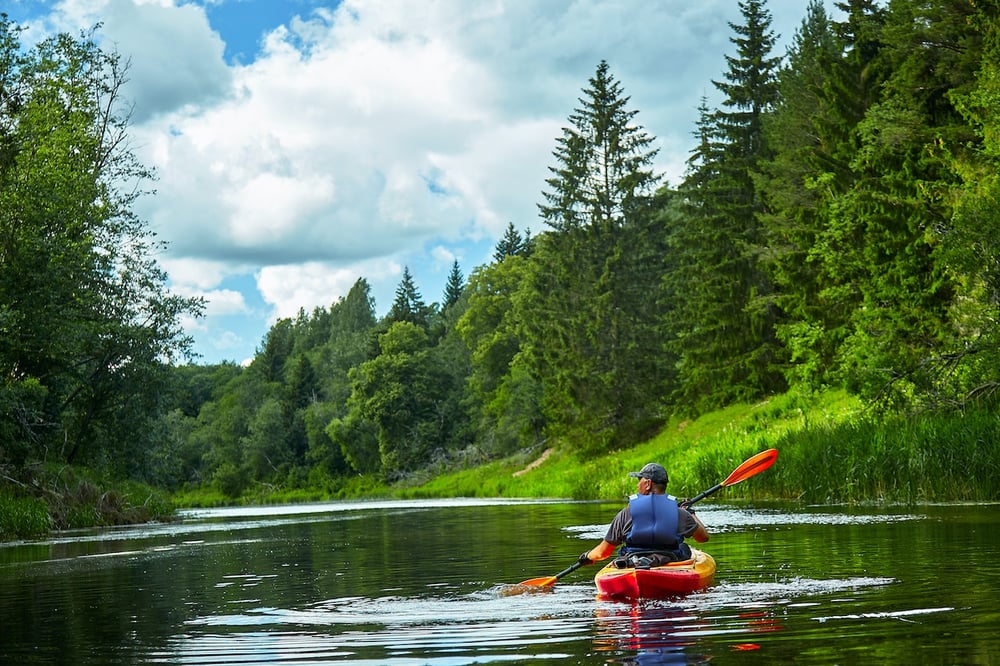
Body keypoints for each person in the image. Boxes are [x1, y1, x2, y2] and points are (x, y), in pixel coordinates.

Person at [578, 462, 709, 569]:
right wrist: (690, 513)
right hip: (670, 560)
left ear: (647, 483)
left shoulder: (625, 514)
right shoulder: (680, 513)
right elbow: (703, 538)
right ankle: (655, 560)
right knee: (683, 548)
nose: (637, 484)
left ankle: (643, 561)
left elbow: (603, 552)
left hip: (633, 561)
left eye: (639, 480)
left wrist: (588, 556)